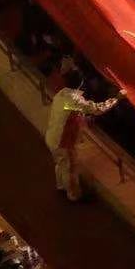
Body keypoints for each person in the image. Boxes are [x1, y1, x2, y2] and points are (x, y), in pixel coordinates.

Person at [46, 69, 123, 201]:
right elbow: (97, 109)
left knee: (60, 164)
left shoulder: (61, 94)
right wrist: (117, 98)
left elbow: (70, 114)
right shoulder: (74, 100)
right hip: (63, 143)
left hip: (52, 136)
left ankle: (61, 186)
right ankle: (73, 195)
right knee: (70, 168)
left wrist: (83, 119)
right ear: (80, 83)